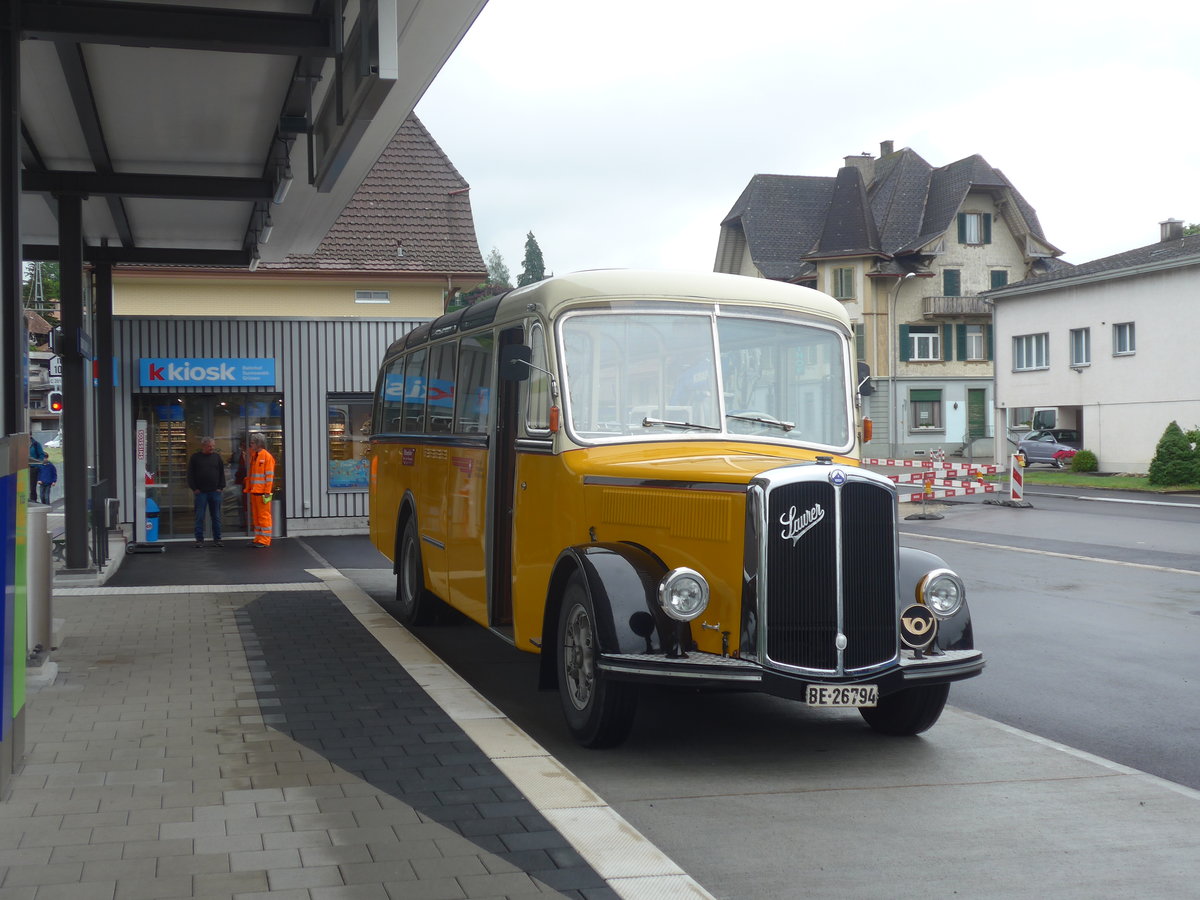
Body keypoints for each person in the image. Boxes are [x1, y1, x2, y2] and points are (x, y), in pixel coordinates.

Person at [187, 436, 225, 547]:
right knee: (199, 517)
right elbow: (190, 475)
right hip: (201, 492)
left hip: (215, 492)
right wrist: (194, 488)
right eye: (209, 446)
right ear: (203, 446)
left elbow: (221, 473)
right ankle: (199, 540)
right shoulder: (195, 458)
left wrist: (220, 487)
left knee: (216, 516)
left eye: (213, 446)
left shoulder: (217, 458)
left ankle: (218, 539)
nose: (212, 448)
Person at [244, 432, 276, 548]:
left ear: (258, 443)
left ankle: (265, 539)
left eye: (252, 443)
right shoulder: (254, 456)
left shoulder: (267, 457)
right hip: (255, 491)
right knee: (257, 517)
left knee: (264, 516)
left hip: (263, 492)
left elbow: (269, 477)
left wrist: (267, 492)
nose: (250, 445)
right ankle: (258, 538)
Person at [29, 437, 47, 502]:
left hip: (33, 468)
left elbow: (41, 455)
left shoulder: (36, 444)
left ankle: (33, 500)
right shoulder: (21, 444)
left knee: (32, 486)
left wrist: (37, 464)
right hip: (23, 468)